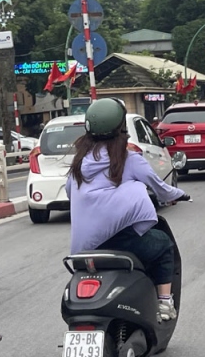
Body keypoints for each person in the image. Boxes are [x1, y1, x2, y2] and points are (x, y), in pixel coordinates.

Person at [66, 98, 186, 321]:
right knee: (163, 246)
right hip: (122, 241)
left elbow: (70, 193)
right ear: (121, 127)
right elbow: (160, 188)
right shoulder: (129, 159)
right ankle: (164, 303)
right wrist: (179, 195)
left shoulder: (79, 162)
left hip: (83, 248)